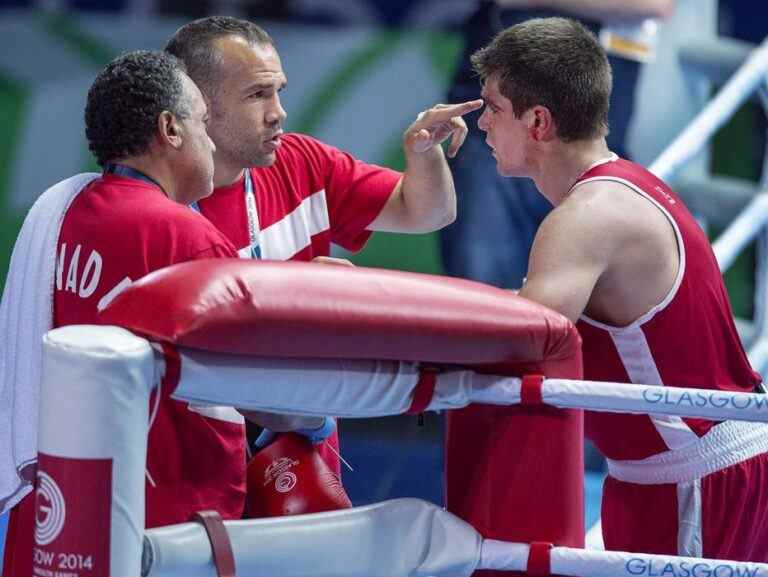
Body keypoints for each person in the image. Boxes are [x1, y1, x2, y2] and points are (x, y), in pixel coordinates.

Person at [448, 17, 768, 562]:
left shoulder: (587, 217)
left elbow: (517, 345)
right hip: (666, 473)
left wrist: (389, 345)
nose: (482, 126)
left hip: (695, 477)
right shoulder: (624, 188)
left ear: (539, 122)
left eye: (493, 109)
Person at [164, 16, 481, 476]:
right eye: (257, 95)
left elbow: (428, 212)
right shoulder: (155, 203)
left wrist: (424, 153)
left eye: (279, 91)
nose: (278, 112)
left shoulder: (301, 162)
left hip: (303, 456)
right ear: (198, 105)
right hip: (199, 463)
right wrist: (304, 294)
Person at [0, 50, 244, 577]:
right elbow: (238, 389)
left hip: (57, 509)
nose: (212, 140)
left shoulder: (57, 219)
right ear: (170, 129)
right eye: (203, 122)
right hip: (160, 523)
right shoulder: (192, 239)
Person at [440, 0, 674, 289]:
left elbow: (655, 4)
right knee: (483, 300)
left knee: (589, 314)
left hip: (588, 144)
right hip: (494, 137)